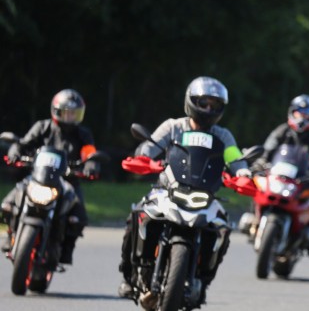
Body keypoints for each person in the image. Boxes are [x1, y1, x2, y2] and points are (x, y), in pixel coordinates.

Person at [117, 76, 249, 298]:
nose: (208, 108)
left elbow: (235, 159)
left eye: (213, 105)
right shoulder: (173, 126)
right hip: (167, 190)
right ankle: (129, 276)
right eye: (203, 102)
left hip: (204, 195)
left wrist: (243, 173)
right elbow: (149, 147)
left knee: (222, 227)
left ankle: (202, 280)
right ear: (191, 101)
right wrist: (142, 157)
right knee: (138, 214)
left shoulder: (223, 136)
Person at [1, 89, 96, 264]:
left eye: (75, 114)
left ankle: (66, 250)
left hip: (67, 181)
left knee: (79, 218)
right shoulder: (42, 127)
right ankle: (10, 234)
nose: (71, 118)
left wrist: (91, 165)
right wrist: (15, 151)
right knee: (7, 205)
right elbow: (23, 143)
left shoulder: (83, 134)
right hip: (38, 178)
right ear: (56, 111)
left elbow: (89, 153)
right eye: (67, 114)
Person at [253, 94, 309, 256]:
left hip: (303, 179)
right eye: (299, 112)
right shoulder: (282, 131)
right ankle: (253, 220)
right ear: (292, 112)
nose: (302, 116)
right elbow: (268, 148)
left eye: (307, 113)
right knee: (257, 186)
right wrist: (260, 161)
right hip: (277, 175)